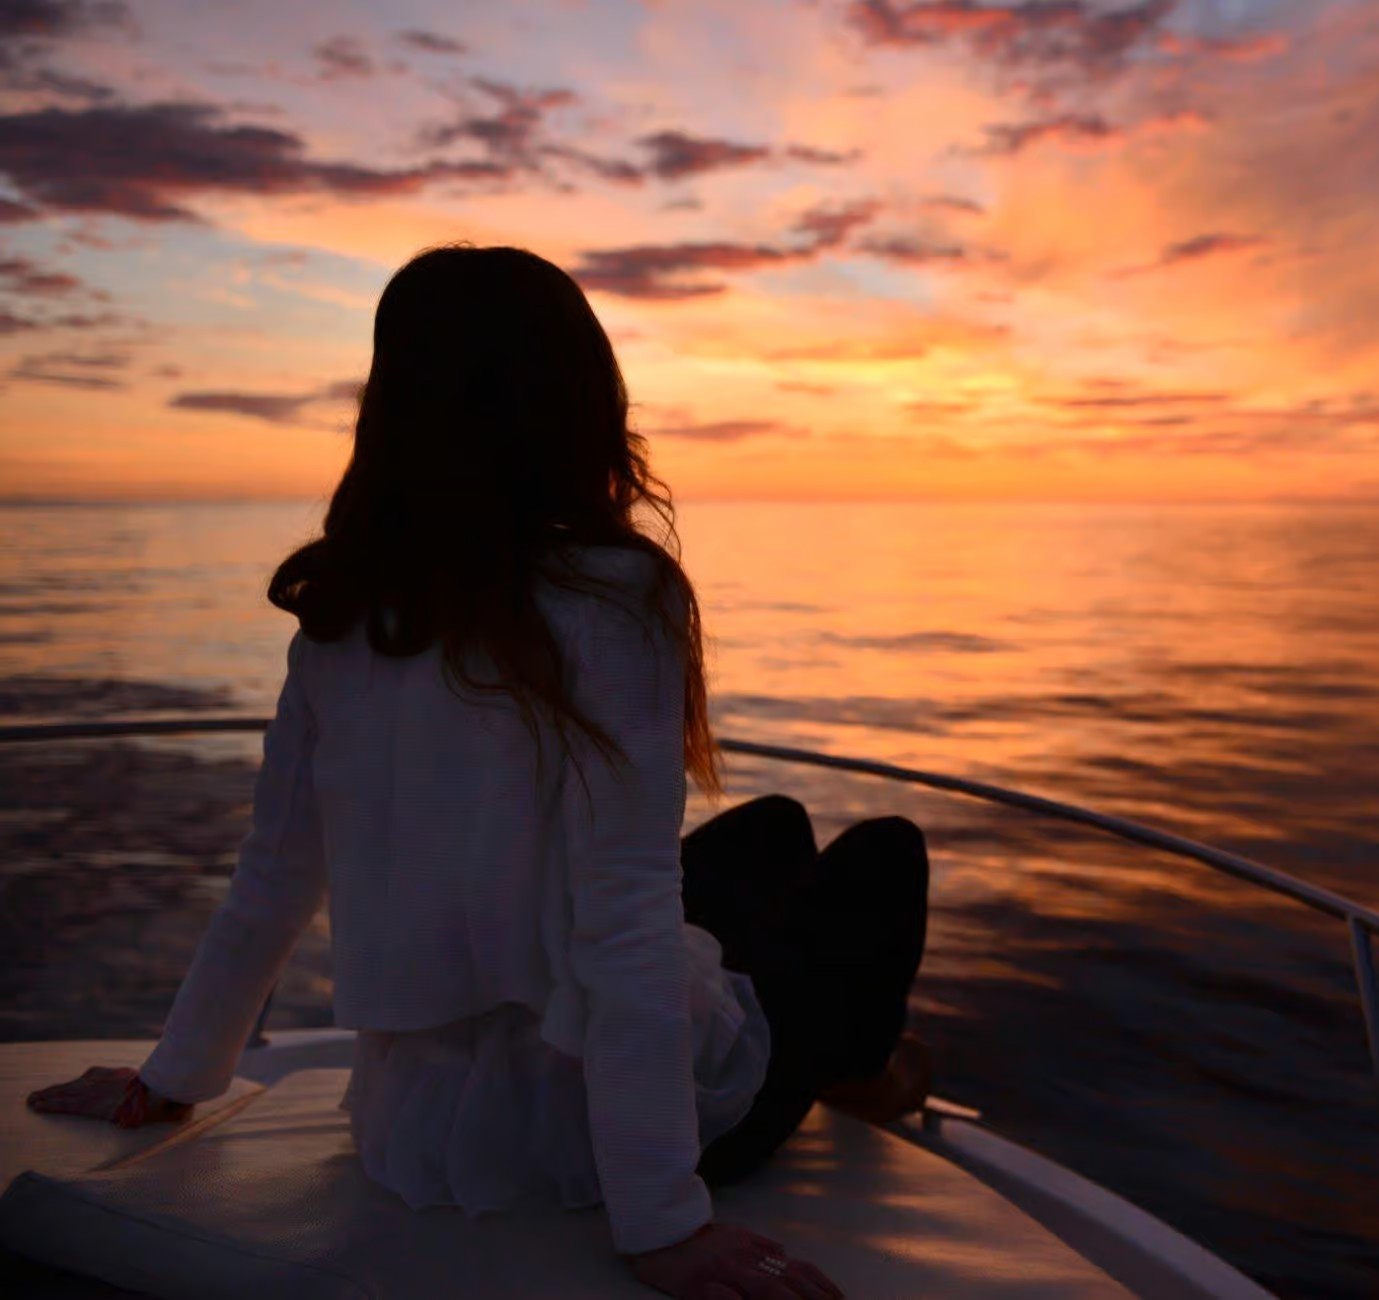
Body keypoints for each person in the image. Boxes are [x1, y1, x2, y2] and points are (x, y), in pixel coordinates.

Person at [25, 245, 933, 1300]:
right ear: (580, 402)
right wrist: (662, 1224)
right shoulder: (615, 597)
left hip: (416, 1126)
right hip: (599, 1140)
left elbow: (271, 878)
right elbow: (625, 918)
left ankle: (833, 1046)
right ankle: (861, 1070)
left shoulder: (345, 612)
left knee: (770, 824)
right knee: (882, 856)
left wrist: (174, 1077)